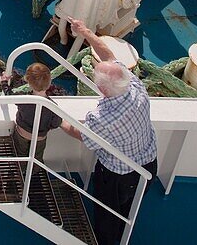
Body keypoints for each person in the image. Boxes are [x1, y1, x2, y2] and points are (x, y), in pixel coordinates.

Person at [63, 19, 157, 245]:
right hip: (148, 165)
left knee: (107, 215)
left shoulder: (101, 118)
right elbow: (108, 56)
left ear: (102, 89)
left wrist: (54, 117)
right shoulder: (135, 86)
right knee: (127, 209)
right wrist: (85, 31)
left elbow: (82, 135)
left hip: (117, 178)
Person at [12, 62, 71, 162]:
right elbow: (56, 123)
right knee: (37, 159)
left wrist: (4, 82)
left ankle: (21, 169)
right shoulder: (52, 106)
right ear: (49, 84)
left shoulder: (23, 99)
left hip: (22, 134)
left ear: (28, 81)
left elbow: (9, 94)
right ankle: (34, 172)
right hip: (39, 138)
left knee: (20, 155)